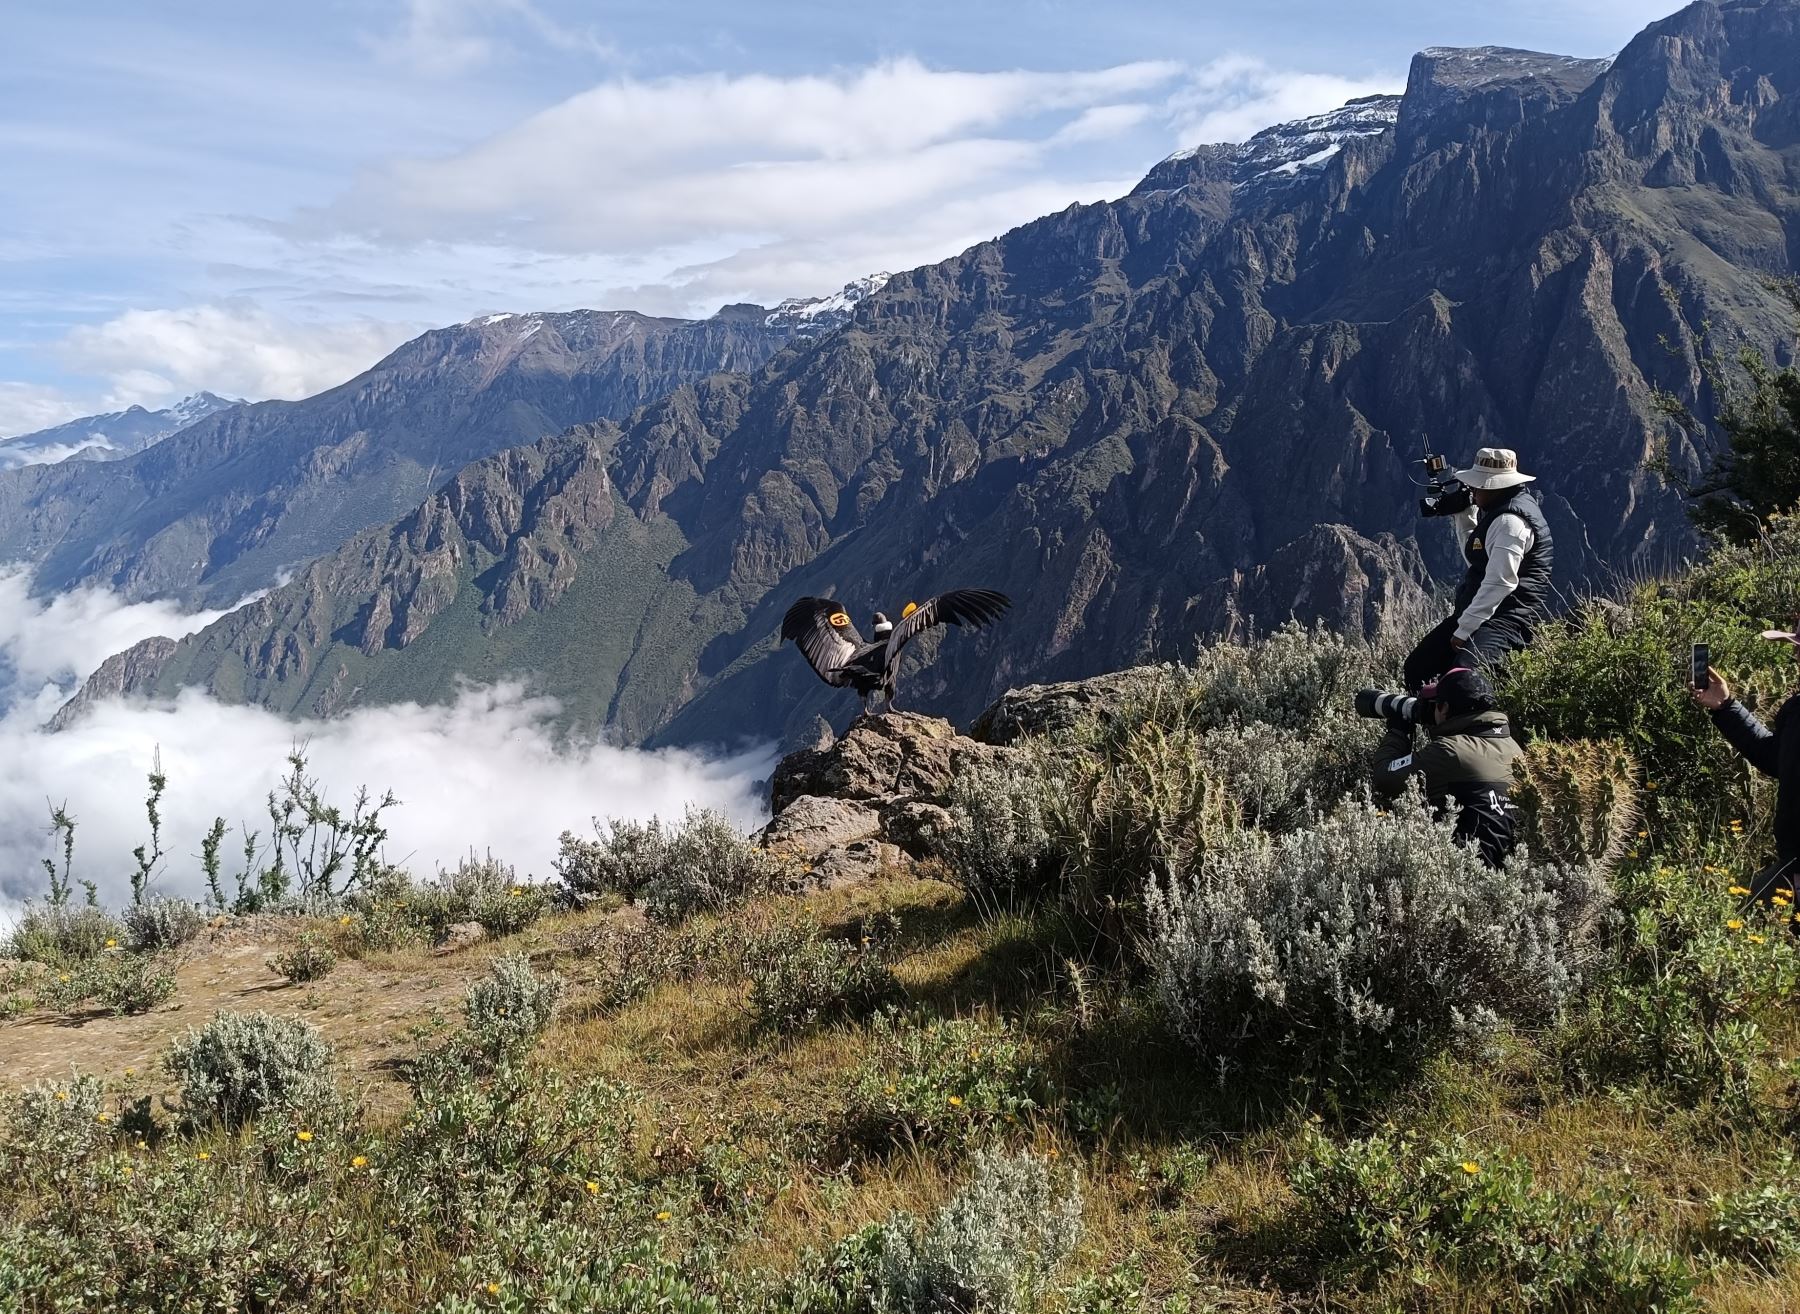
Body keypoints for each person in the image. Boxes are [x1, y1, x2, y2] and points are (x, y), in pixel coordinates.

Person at [1403, 447, 1555, 691]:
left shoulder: (1510, 522)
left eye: (1477, 486)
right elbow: (1479, 559)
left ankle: (1478, 726)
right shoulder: (1499, 511)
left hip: (1507, 620)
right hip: (1483, 614)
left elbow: (1500, 581)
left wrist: (1464, 630)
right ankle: (1434, 724)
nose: (1472, 491)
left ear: (1495, 486)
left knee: (1463, 680)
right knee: (1418, 668)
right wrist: (1464, 515)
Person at [1370, 667, 1522, 866]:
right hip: (1511, 873)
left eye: (1434, 704)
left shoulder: (1450, 751)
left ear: (1444, 708)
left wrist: (1397, 732)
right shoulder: (1514, 748)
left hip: (1467, 874)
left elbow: (1384, 776)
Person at [1692, 625, 1800, 901]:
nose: (1796, 654)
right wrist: (1726, 707)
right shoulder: (1797, 709)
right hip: (1793, 863)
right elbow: (1775, 758)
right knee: (1747, 914)